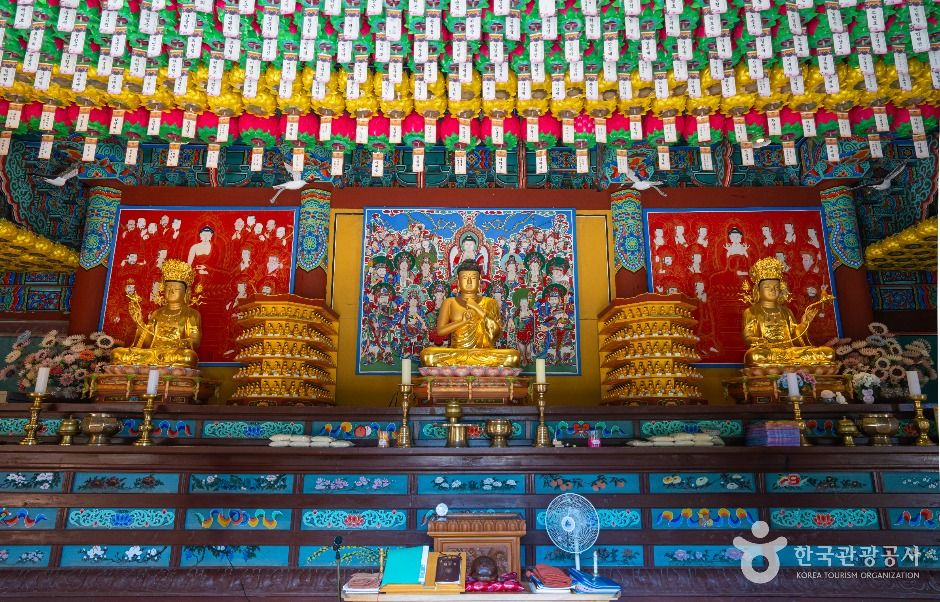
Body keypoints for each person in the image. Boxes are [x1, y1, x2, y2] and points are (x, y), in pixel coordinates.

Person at [420, 260, 520, 367]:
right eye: (464, 278)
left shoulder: (490, 302)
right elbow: (440, 331)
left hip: (483, 353)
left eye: (473, 278)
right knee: (427, 355)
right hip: (457, 352)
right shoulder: (449, 302)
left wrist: (477, 308)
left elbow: (496, 334)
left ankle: (463, 367)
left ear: (479, 280)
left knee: (513, 357)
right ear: (458, 281)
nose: (468, 282)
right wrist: (462, 322)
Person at [741, 257, 835, 368]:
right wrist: (758, 341)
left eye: (776, 287)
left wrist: (804, 323)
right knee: (753, 356)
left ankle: (789, 363)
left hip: (790, 351)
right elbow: (748, 336)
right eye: (767, 287)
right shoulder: (751, 311)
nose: (773, 290)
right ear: (757, 290)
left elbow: (794, 335)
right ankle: (789, 364)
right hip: (769, 352)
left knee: (828, 353)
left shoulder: (785, 311)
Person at [111, 259, 203, 368]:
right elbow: (147, 341)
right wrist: (139, 322)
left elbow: (195, 340)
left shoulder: (191, 314)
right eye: (168, 287)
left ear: (186, 292)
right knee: (116, 353)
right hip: (153, 353)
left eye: (176, 289)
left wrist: (184, 343)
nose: (171, 291)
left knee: (188, 357)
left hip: (173, 353)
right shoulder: (157, 313)